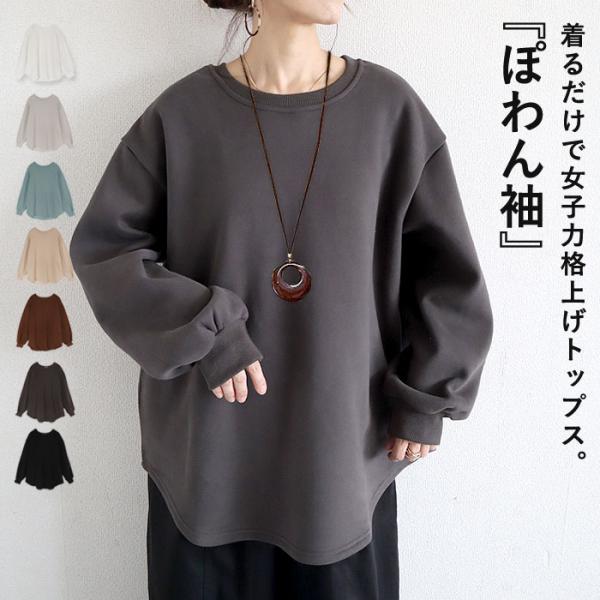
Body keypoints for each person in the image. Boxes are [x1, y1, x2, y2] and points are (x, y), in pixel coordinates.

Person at [69, 0, 494, 598]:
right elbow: (106, 250)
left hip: (340, 463)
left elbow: (445, 271)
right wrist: (207, 331)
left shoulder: (390, 113)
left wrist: (428, 394)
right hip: (209, 464)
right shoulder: (182, 116)